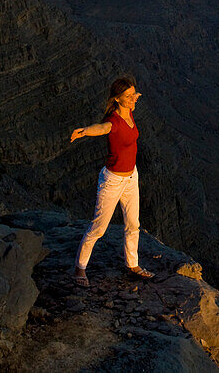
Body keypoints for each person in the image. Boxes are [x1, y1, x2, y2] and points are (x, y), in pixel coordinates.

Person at [68, 76, 154, 287]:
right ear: (117, 99)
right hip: (113, 181)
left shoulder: (129, 112)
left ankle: (132, 264)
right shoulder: (113, 121)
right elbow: (102, 128)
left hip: (131, 177)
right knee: (99, 227)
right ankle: (80, 268)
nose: (134, 98)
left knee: (133, 224)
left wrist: (134, 97)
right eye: (129, 96)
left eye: (134, 93)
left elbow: (130, 107)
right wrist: (85, 131)